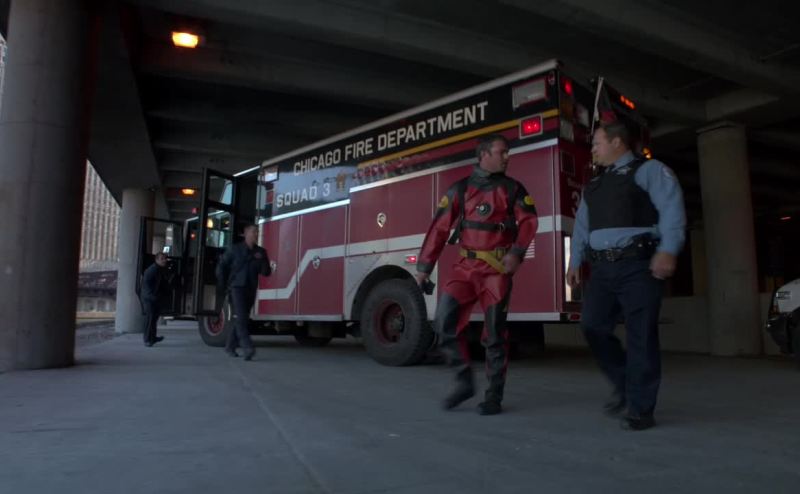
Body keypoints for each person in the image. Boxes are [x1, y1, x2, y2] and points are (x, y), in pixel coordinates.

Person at [566, 121, 686, 431]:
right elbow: (582, 227)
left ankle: (640, 409)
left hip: (639, 266)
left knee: (641, 336)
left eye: (597, 143)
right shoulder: (594, 185)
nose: (593, 149)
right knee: (592, 325)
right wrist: (574, 261)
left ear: (617, 142)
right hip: (602, 269)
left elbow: (672, 210)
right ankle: (624, 383)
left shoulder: (649, 171)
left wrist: (668, 250)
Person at [415, 134, 539, 415]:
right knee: (443, 323)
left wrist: (517, 252)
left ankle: (493, 396)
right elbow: (439, 229)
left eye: (507, 152)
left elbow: (529, 222)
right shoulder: (460, 189)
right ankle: (463, 381)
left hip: (496, 272)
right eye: (502, 152)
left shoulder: (513, 189)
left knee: (495, 335)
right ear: (484, 154)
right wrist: (424, 269)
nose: (507, 157)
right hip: (465, 270)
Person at [216, 224, 271, 361]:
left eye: (257, 232)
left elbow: (266, 272)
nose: (256, 234)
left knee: (242, 318)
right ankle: (247, 347)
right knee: (241, 317)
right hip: (236, 288)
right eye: (253, 232)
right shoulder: (235, 249)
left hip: (251, 288)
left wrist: (263, 261)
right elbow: (222, 266)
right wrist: (222, 284)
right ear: (246, 234)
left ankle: (229, 346)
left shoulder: (261, 252)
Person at [140, 252, 170, 347]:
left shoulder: (160, 269)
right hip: (149, 298)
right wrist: (152, 297)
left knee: (153, 319)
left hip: (154, 298)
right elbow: (146, 285)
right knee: (149, 319)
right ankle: (147, 340)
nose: (164, 260)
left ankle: (153, 338)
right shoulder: (152, 270)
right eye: (162, 259)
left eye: (165, 258)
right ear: (156, 260)